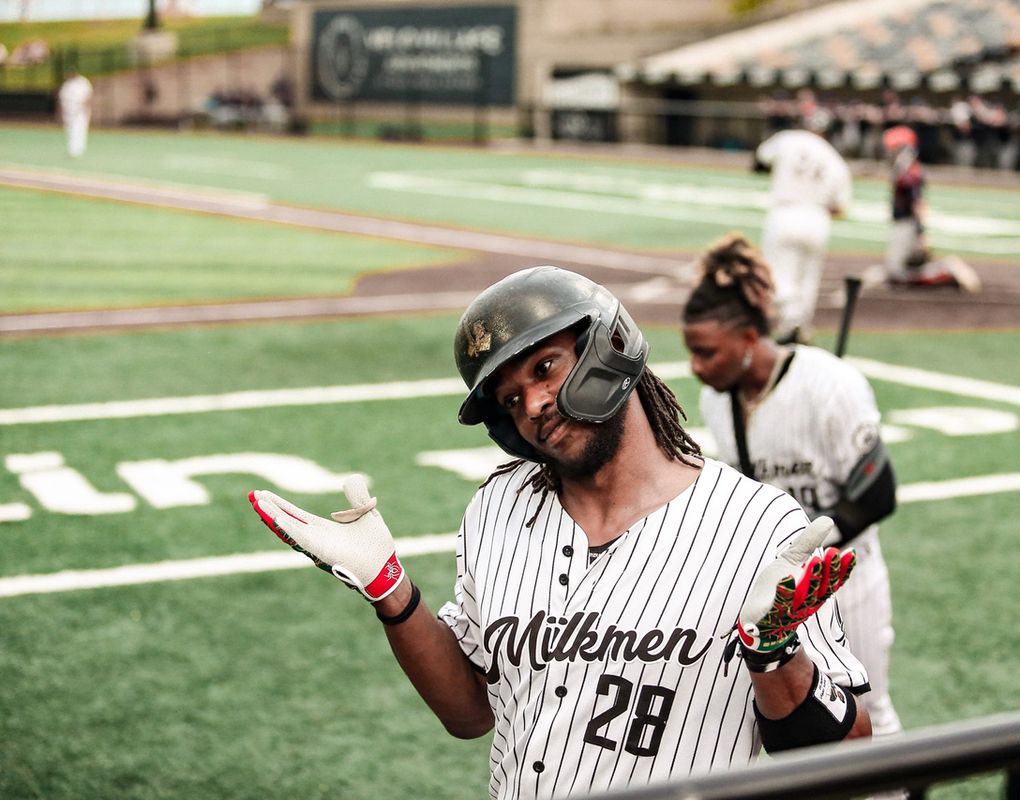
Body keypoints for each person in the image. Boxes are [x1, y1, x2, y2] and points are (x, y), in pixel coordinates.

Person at [248, 266, 872, 799]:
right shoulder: (498, 508)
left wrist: (774, 654)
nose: (535, 405)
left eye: (546, 367)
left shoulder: (759, 530)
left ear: (611, 346)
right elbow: (470, 713)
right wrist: (391, 590)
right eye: (511, 398)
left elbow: (847, 762)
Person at [681, 235, 904, 742]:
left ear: (749, 337)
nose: (696, 366)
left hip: (847, 580)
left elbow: (877, 492)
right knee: (796, 724)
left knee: (870, 714)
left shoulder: (829, 383)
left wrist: (809, 546)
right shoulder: (717, 400)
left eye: (707, 352)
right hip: (775, 597)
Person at [754, 112, 852, 345]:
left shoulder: (788, 138)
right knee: (808, 279)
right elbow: (839, 208)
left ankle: (792, 320)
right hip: (817, 218)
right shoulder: (835, 159)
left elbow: (760, 160)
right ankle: (801, 329)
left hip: (785, 212)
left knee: (778, 274)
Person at [878, 125, 980, 293]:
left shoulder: (910, 174)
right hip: (903, 223)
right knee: (899, 269)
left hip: (906, 224)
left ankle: (946, 270)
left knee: (896, 273)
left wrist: (920, 233)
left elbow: (917, 204)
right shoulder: (905, 170)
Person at [57, 70, 93, 158]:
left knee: (79, 129)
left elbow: (88, 96)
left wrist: (84, 107)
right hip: (68, 110)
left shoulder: (83, 83)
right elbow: (61, 98)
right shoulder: (67, 84)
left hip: (80, 110)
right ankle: (72, 148)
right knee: (69, 130)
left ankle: (78, 149)